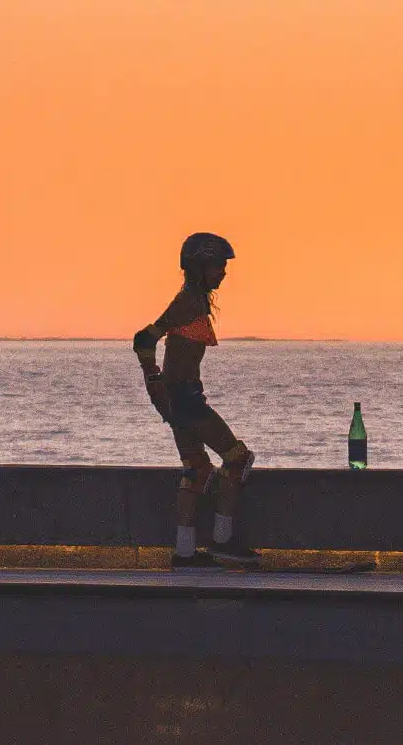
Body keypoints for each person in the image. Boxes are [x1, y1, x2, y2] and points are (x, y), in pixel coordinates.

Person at [135, 233, 257, 569]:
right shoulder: (187, 301)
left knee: (198, 469)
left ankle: (185, 552)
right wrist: (153, 380)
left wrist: (161, 392)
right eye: (218, 266)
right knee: (237, 458)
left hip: (180, 398)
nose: (224, 273)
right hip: (185, 399)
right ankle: (223, 540)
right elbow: (144, 339)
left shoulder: (196, 300)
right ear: (199, 267)